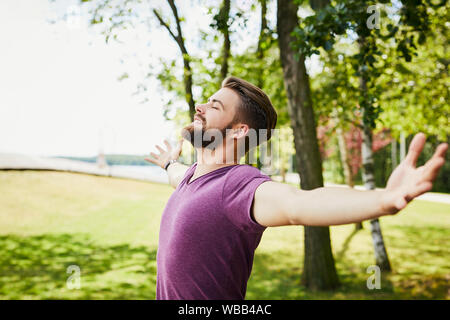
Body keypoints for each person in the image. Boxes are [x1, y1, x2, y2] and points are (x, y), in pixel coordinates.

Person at [145, 76, 448, 300]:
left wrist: (384, 200)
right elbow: (178, 175)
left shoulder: (237, 187)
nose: (199, 108)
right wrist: (169, 164)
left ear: (239, 131)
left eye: (214, 106)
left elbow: (298, 205)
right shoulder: (192, 177)